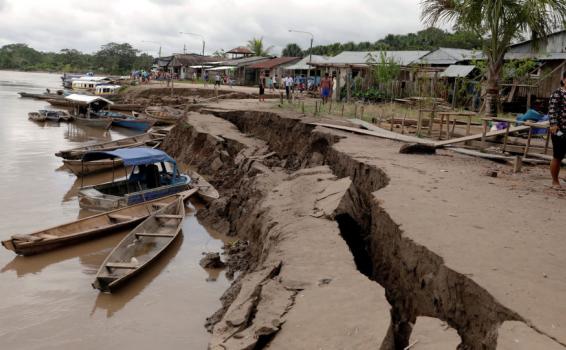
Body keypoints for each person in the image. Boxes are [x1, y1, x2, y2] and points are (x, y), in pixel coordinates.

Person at [548, 71, 566, 188]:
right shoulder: (557, 94)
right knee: (558, 156)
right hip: (559, 130)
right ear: (564, 80)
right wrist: (554, 124)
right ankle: (555, 181)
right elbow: (552, 110)